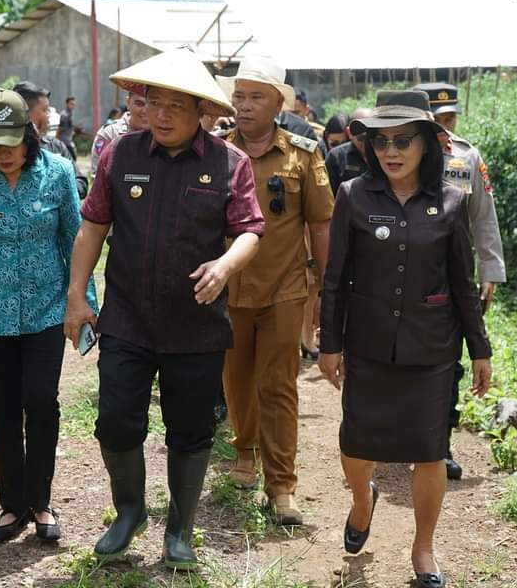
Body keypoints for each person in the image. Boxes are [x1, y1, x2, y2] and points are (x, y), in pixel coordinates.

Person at [64, 47, 264, 570]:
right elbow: (92, 228)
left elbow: (249, 233)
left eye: (178, 105)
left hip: (196, 324)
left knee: (190, 429)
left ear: (201, 111)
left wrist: (223, 266)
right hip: (128, 317)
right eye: (156, 103)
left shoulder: (229, 163)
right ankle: (129, 512)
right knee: (116, 422)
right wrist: (76, 298)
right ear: (143, 105)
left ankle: (180, 529)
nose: (165, 115)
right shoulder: (119, 155)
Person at [318, 91, 492, 588]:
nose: (391, 151)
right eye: (381, 141)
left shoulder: (452, 201)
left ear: (426, 146)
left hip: (432, 348)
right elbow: (336, 277)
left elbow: (462, 283)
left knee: (429, 450)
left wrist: (480, 349)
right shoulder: (353, 194)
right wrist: (331, 344)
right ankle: (360, 500)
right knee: (356, 440)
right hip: (369, 344)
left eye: (403, 141)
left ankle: (423, 549)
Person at [0, 89, 97, 544]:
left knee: (41, 400)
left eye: (12, 142)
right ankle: (12, 505)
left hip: (47, 308)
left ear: (29, 134)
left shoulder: (58, 172)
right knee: (3, 410)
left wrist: (82, 303)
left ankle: (40, 500)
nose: (4, 154)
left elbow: (75, 240)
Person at [216, 55, 335, 526]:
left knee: (280, 385)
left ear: (278, 103)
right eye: (239, 96)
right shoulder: (216, 152)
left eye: (255, 97)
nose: (244, 106)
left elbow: (320, 224)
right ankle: (244, 449)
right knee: (236, 380)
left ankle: (282, 485)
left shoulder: (303, 154)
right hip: (227, 289)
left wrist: (325, 287)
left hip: (285, 288)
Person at [414, 82, 506, 481]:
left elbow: (484, 216)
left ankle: (439, 443)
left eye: (449, 119)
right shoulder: (395, 154)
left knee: (447, 362)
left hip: (452, 277)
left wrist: (489, 270)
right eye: (435, 121)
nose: (443, 129)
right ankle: (403, 434)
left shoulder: (466, 158)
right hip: (400, 271)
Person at [14, 80, 88, 199]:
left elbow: (81, 184)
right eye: (44, 110)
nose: (48, 115)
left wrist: (56, 191)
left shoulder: (56, 147)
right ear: (25, 113)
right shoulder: (6, 150)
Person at [90, 87, 149, 178]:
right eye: (139, 104)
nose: (145, 111)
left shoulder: (164, 134)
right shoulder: (110, 133)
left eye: (151, 104)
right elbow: (98, 178)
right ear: (128, 102)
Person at [325, 106, 378, 195]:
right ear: (349, 133)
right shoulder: (336, 157)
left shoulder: (386, 154)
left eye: (372, 138)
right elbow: (328, 197)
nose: (367, 144)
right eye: (361, 138)